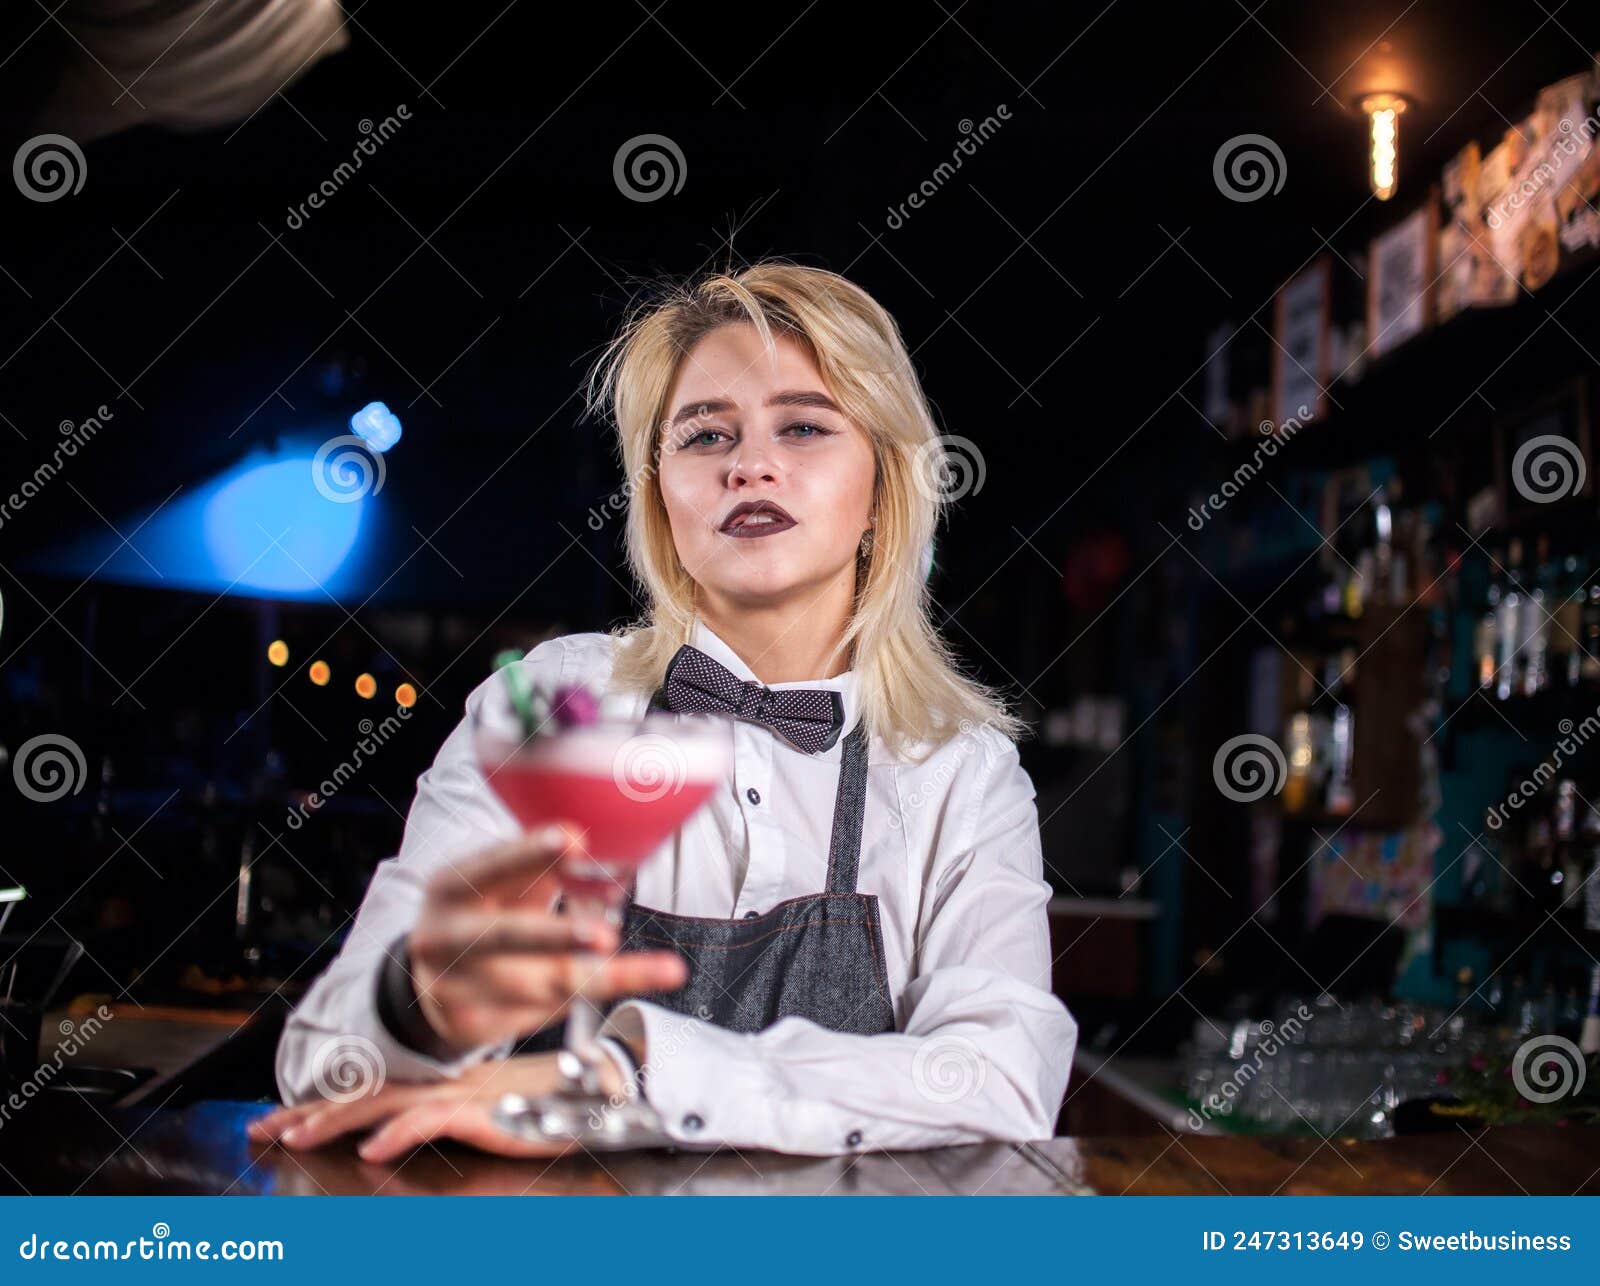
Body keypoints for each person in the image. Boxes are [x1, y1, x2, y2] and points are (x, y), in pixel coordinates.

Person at [251, 261, 1077, 1162]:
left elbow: (1003, 1075)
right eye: (704, 436)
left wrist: (626, 1071)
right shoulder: (556, 708)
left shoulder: (958, 767)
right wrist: (422, 1004)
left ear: (883, 485)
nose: (749, 466)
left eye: (803, 426)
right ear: (658, 497)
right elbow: (323, 1071)